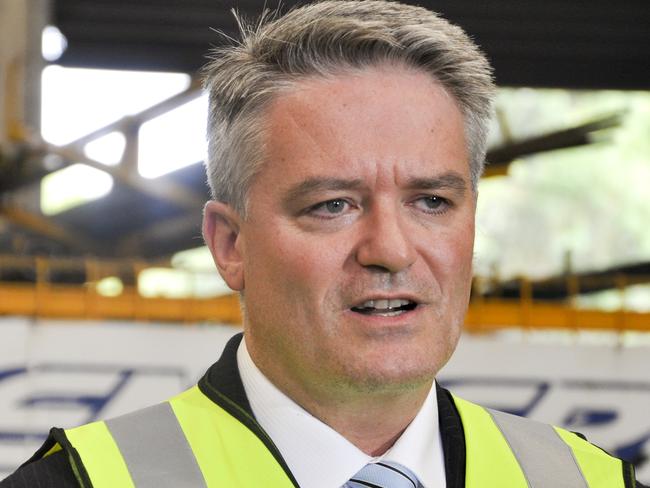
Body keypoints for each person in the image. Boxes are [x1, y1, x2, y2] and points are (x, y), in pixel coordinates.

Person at [2, 1, 644, 487]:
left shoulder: (588, 480)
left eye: (432, 202)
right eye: (332, 205)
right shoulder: (84, 482)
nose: (390, 250)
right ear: (230, 245)